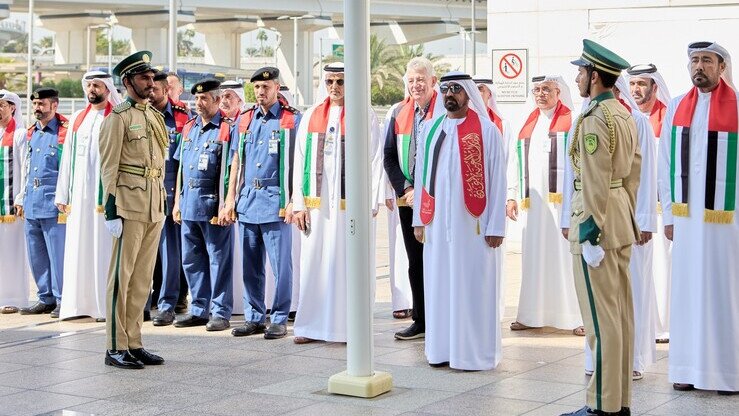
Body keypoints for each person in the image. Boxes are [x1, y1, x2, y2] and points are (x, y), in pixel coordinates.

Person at [561, 39, 640, 416]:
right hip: (619, 217)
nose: (577, 77)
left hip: (599, 223)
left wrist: (591, 230)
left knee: (600, 321)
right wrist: (625, 218)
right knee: (620, 317)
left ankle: (602, 406)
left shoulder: (595, 118)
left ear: (595, 77)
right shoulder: (623, 114)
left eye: (581, 71)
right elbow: (632, 175)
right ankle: (619, 400)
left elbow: (594, 178)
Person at [658, 41, 739, 395]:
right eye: (695, 60)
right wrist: (669, 215)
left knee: (725, 290)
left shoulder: (737, 107)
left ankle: (727, 373)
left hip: (727, 221)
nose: (699, 66)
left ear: (722, 67)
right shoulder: (677, 106)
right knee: (687, 291)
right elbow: (664, 165)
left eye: (707, 60)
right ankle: (687, 367)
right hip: (687, 220)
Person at [412, 71, 506, 370]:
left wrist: (496, 225)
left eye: (456, 89)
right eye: (446, 89)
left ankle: (473, 354)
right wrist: (418, 219)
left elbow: (497, 181)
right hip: (437, 225)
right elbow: (422, 178)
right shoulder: (431, 129)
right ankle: (441, 350)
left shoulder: (487, 131)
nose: (450, 94)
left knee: (472, 287)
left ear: (468, 94)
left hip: (474, 227)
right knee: (439, 284)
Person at [291, 62, 385, 344]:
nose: (335, 87)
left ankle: (347, 328)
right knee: (313, 266)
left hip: (350, 208)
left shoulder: (362, 114)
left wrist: (370, 202)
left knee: (348, 265)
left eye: (341, 82)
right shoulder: (310, 116)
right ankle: (310, 327)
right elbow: (298, 160)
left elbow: (374, 158)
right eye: (330, 81)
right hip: (316, 206)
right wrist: (298, 203)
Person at [579, 76, 659, 381]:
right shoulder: (586, 116)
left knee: (629, 291)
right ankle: (597, 358)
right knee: (599, 294)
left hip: (628, 220)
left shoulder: (635, 120)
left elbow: (643, 173)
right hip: (595, 215)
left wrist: (645, 221)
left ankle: (633, 359)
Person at [99, 50, 168, 369]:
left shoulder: (152, 114)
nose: (150, 82)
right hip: (128, 205)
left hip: (154, 204)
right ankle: (115, 344)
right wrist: (110, 211)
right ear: (127, 82)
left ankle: (134, 342)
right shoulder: (118, 118)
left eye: (152, 77)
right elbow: (108, 168)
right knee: (121, 278)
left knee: (142, 280)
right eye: (144, 77)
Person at [220, 67, 301, 339]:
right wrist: (230, 198)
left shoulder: (290, 119)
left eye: (266, 87)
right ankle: (254, 316)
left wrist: (292, 200)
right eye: (256, 88)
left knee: (280, 266)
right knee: (251, 265)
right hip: (248, 201)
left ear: (277, 88)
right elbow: (236, 162)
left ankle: (279, 317)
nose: (261, 92)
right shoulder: (245, 119)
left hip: (275, 201)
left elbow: (297, 164)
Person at [507, 75, 583, 334]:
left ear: (558, 92)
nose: (541, 94)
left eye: (546, 89)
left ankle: (575, 317)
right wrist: (511, 195)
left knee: (565, 258)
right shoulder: (527, 122)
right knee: (533, 259)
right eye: (536, 89)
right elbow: (514, 163)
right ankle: (530, 314)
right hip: (534, 207)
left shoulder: (572, 121)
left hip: (562, 205)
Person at [383, 57, 444, 339]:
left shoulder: (444, 113)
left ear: (433, 82)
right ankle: (420, 320)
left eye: (421, 79)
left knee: (441, 260)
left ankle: (442, 318)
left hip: (439, 200)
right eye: (411, 81)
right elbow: (389, 156)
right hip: (409, 200)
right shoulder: (399, 113)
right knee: (415, 261)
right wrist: (405, 189)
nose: (416, 85)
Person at [55, 71, 123, 321]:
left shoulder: (116, 116)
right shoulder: (77, 119)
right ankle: (76, 305)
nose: (92, 89)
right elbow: (67, 158)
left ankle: (101, 307)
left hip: (103, 199)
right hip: (79, 198)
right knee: (77, 248)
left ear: (107, 88)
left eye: (96, 85)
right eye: (89, 85)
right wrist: (63, 193)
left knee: (102, 249)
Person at [172, 79, 237, 332]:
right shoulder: (189, 128)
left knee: (218, 261)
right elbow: (180, 169)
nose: (198, 104)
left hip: (212, 205)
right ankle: (199, 309)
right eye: (196, 99)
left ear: (217, 100)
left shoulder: (226, 129)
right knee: (192, 260)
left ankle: (220, 311)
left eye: (204, 99)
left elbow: (232, 169)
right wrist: (177, 201)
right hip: (189, 205)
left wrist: (227, 203)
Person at [627, 64, 673, 344]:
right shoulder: (627, 119)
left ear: (655, 87)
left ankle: (664, 326)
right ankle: (646, 324)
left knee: (662, 266)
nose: (636, 90)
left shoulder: (667, 118)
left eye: (642, 84)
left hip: (660, 207)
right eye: (632, 84)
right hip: (635, 208)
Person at [16, 87, 67, 319]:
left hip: (53, 202)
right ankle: (44, 297)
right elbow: (25, 167)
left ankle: (61, 298)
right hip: (32, 200)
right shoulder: (31, 132)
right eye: (35, 104)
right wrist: (20, 198)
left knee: (57, 254)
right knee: (36, 253)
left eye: (41, 104)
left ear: (54, 105)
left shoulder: (64, 132)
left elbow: (68, 169)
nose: (37, 108)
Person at [148, 70, 193, 326]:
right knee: (143, 255)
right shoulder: (139, 115)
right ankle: (142, 304)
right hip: (143, 196)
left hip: (168, 195)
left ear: (166, 90)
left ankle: (168, 304)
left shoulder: (182, 119)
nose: (150, 93)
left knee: (169, 254)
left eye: (155, 89)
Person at [473, 74, 514, 320]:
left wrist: (510, 196)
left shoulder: (500, 124)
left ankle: (494, 310)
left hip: (494, 200)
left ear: (490, 94)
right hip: (470, 205)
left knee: (494, 257)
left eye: (482, 90)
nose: (478, 94)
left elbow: (509, 164)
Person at [0, 90, 30, 314]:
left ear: (12, 108)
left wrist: (20, 197)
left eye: (3, 105)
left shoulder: (19, 134)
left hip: (11, 204)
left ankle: (12, 296)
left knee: (11, 252)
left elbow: (26, 168)